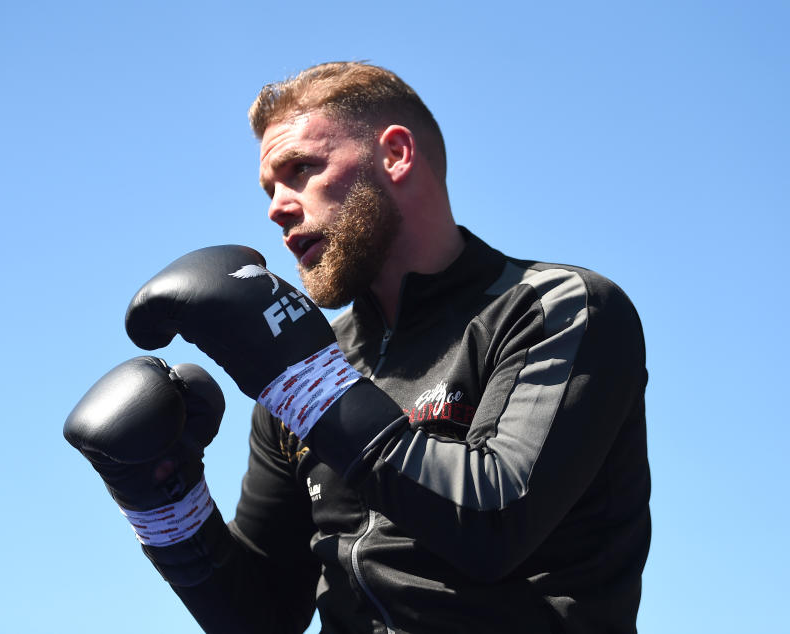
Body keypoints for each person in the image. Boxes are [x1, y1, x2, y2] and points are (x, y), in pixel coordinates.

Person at [65, 62, 651, 634]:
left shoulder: (557, 307)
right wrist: (165, 502)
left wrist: (305, 379)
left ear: (395, 154)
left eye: (300, 169)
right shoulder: (304, 368)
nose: (276, 206)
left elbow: (493, 520)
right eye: (270, 188)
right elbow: (265, 617)